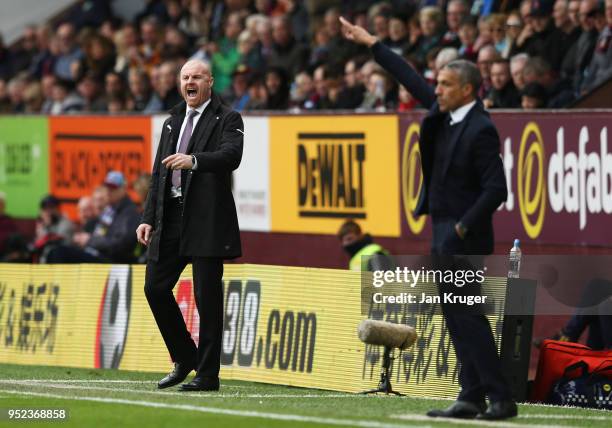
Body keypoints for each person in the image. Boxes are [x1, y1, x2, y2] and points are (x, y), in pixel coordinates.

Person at [339, 17, 515, 420]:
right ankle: (471, 395)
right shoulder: (444, 114)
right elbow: (409, 76)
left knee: (468, 318)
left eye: (446, 85)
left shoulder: (481, 129)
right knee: (457, 319)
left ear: (467, 89)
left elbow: (496, 190)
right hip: (441, 230)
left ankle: (500, 397)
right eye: (437, 84)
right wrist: (372, 44)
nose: (436, 90)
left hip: (463, 236)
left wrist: (461, 227)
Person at [136, 59, 243, 392]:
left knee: (206, 298)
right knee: (154, 287)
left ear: (209, 81)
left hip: (206, 220)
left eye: (196, 76)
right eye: (185, 77)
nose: (190, 82)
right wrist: (148, 217)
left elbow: (231, 156)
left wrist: (194, 161)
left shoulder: (228, 117)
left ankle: (208, 375)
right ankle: (185, 356)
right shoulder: (173, 121)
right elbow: (158, 174)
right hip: (171, 217)